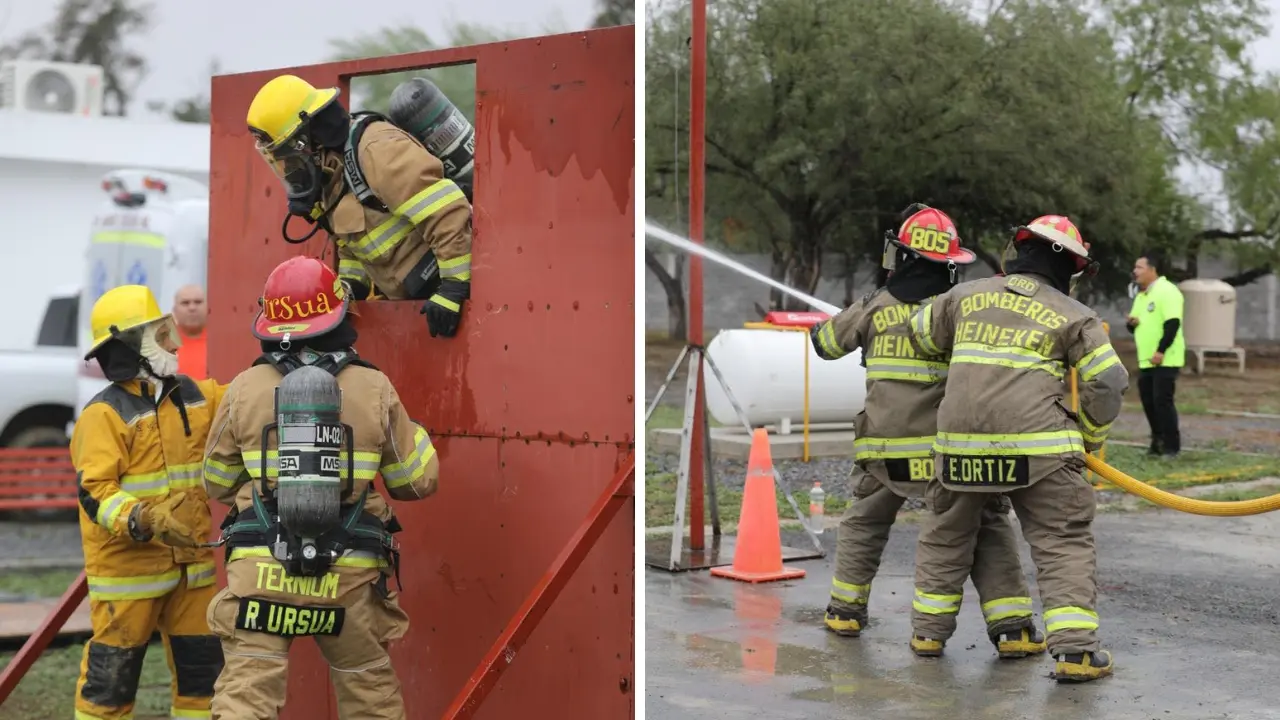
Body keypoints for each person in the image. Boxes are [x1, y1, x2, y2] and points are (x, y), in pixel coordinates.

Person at [201, 256, 440, 720]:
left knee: (245, 697)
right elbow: (414, 482)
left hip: (261, 573)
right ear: (336, 313)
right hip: (347, 578)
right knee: (369, 695)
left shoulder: (245, 388)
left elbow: (217, 480)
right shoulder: (374, 387)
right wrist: (421, 437)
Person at [813, 205, 1046, 660]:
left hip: (884, 452)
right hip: (948, 455)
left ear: (900, 255)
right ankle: (1012, 629)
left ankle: (844, 610)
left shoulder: (875, 306)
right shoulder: (960, 310)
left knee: (863, 524)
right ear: (951, 265)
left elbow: (823, 345)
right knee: (985, 526)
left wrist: (861, 308)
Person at [907, 215, 1129, 683]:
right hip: (1041, 451)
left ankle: (927, 634)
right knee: (1061, 540)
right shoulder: (1074, 314)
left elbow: (921, 334)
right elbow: (1108, 380)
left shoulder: (963, 296)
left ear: (1017, 250)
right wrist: (1089, 434)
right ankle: (1076, 654)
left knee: (947, 533)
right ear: (1070, 266)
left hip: (959, 448)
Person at [72, 284, 226, 720]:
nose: (174, 343)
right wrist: (141, 517)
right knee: (109, 688)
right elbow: (95, 492)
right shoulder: (103, 415)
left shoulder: (191, 395)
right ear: (132, 346)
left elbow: (242, 397)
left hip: (191, 573)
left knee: (204, 684)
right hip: (129, 575)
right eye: (161, 336)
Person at [245, 74, 473, 338]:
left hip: (451, 291)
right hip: (417, 299)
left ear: (304, 137)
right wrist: (349, 288)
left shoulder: (377, 150)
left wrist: (453, 287)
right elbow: (354, 244)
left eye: (285, 152)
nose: (286, 163)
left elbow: (445, 213)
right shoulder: (332, 170)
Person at [1127, 253, 1184, 457]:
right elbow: (1135, 326)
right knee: (1149, 402)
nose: (1135, 271)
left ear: (1152, 270)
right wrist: (1131, 324)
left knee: (1163, 402)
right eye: (1135, 267)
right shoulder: (1142, 295)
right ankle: (1157, 444)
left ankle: (1171, 447)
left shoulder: (1167, 291)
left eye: (1139, 267)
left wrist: (1161, 350)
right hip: (1146, 360)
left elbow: (1172, 324)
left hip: (1166, 358)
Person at [174, 284, 209, 379]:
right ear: (174, 310)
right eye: (185, 303)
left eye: (198, 302)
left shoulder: (222, 342)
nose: (192, 308)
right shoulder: (163, 343)